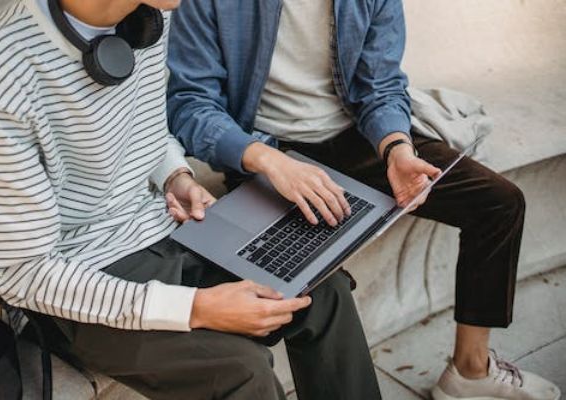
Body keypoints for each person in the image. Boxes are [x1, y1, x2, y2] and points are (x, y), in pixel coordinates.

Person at [0, 0, 378, 399]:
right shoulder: (0, 71)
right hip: (73, 280)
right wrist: (195, 307)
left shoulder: (145, 19)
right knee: (241, 370)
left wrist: (174, 175)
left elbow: (145, 125)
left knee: (323, 290)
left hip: (159, 226)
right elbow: (22, 271)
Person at [166, 0, 561, 399]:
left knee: (499, 203)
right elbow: (191, 104)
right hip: (266, 152)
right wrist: (269, 161)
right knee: (311, 279)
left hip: (357, 137)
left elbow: (381, 86)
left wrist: (397, 148)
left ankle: (469, 372)